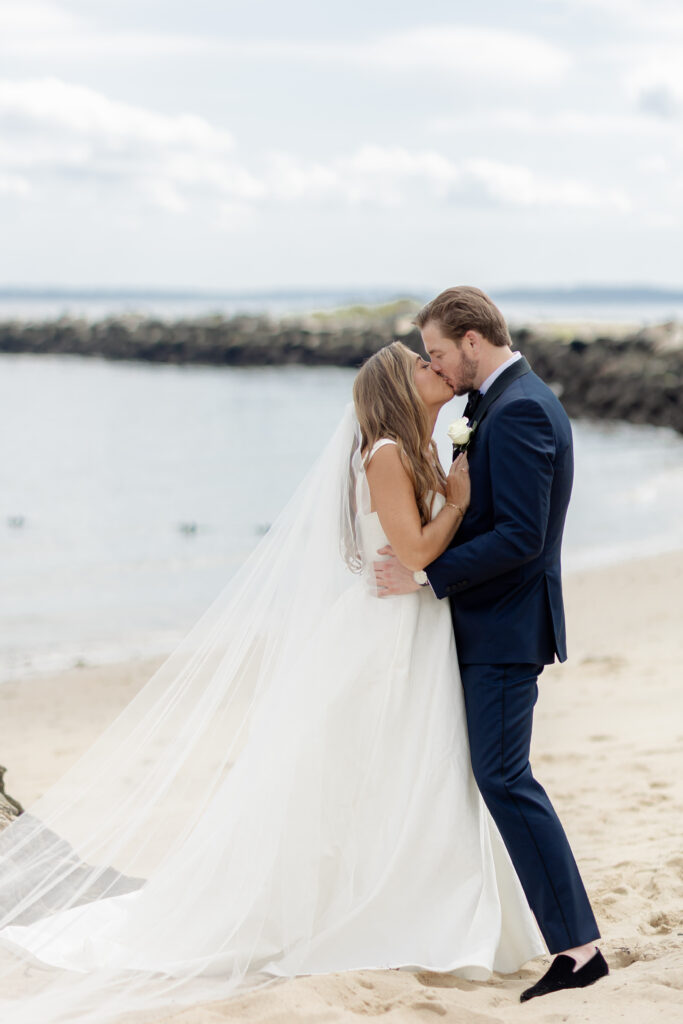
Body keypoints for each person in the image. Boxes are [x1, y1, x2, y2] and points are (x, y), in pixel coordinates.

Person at [0, 342, 544, 1024]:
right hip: (384, 636)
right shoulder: (384, 453)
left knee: (412, 769)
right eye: (421, 366)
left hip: (409, 629)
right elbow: (410, 552)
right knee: (377, 767)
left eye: (434, 361)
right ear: (394, 390)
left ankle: (416, 898)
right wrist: (458, 507)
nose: (436, 369)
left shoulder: (412, 450)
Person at [375, 287, 609, 1002]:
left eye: (440, 352)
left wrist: (425, 574)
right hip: (488, 623)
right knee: (495, 778)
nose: (438, 367)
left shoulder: (524, 408)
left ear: (472, 340)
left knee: (505, 779)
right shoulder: (498, 405)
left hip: (506, 628)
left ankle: (578, 949)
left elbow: (521, 537)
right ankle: (560, 940)